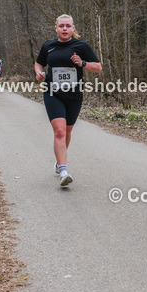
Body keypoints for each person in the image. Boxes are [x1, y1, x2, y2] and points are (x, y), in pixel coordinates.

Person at [35, 15, 102, 186]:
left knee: (68, 130)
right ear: (56, 28)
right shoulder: (48, 46)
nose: (64, 29)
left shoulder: (81, 46)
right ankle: (63, 170)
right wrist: (39, 73)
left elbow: (98, 67)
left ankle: (59, 161)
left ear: (73, 29)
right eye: (61, 26)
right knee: (59, 131)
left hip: (74, 94)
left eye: (68, 26)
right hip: (52, 92)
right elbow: (39, 63)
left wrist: (83, 63)